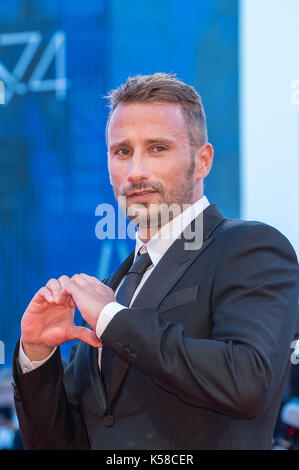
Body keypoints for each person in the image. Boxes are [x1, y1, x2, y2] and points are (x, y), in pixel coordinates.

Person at [12, 73, 299, 450]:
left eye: (158, 148)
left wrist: (113, 318)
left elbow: (248, 381)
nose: (136, 172)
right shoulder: (113, 287)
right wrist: (36, 354)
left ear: (202, 161)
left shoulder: (250, 248)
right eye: (122, 152)